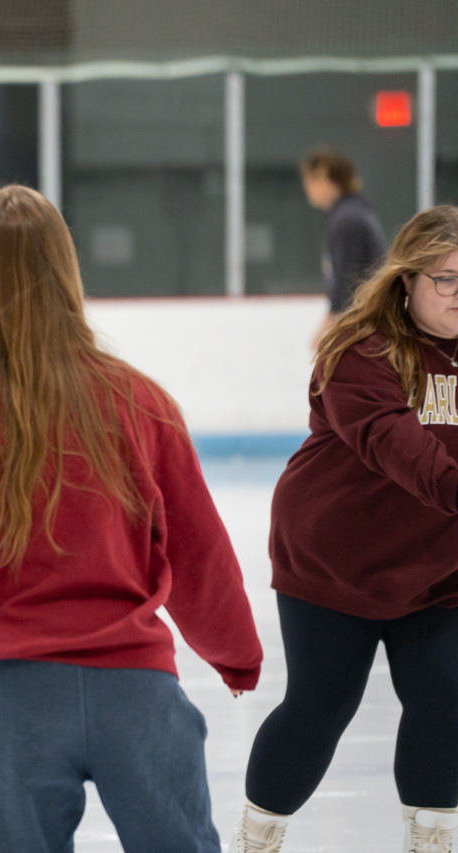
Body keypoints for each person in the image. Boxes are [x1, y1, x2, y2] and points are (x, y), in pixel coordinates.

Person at [0, 184, 264, 853]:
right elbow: (199, 548)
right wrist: (235, 651)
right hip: (136, 694)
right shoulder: (139, 403)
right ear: (66, 267)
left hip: (15, 702)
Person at [230, 205, 458, 853]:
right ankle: (258, 839)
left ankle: (432, 840)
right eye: (446, 279)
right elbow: (402, 448)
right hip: (333, 564)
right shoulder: (361, 351)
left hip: (436, 567)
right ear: (407, 280)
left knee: (446, 696)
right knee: (321, 706)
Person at [302, 147, 387, 345]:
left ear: (330, 181)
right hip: (364, 319)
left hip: (365, 322)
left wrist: (333, 321)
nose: (307, 186)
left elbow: (350, 277)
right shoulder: (349, 214)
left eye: (312, 179)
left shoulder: (348, 219)